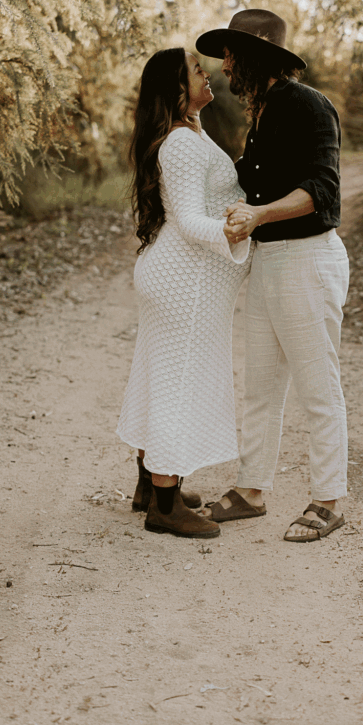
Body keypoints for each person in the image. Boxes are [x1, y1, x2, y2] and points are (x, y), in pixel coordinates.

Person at [196, 9, 349, 542]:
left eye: (232, 54)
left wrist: (259, 215)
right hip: (270, 262)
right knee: (260, 385)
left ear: (257, 57)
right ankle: (251, 490)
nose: (225, 64)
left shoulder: (308, 105)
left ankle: (328, 500)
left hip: (308, 260)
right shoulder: (262, 113)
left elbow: (322, 190)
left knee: (317, 386)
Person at [116, 47, 253, 538]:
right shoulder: (182, 143)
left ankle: (150, 486)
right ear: (177, 88)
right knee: (178, 384)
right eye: (198, 69)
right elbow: (191, 221)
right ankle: (165, 507)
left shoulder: (188, 134)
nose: (208, 73)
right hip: (184, 283)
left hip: (177, 277)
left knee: (160, 376)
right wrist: (240, 225)